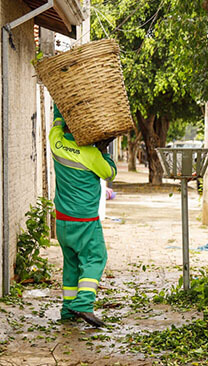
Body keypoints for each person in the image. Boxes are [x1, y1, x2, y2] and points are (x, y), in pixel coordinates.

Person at [49, 105, 117, 327]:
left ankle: (68, 312)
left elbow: (57, 123)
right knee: (96, 259)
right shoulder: (91, 154)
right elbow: (110, 173)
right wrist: (105, 152)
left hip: (62, 222)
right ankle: (84, 304)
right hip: (85, 222)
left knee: (71, 265)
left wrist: (61, 107)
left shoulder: (56, 143)